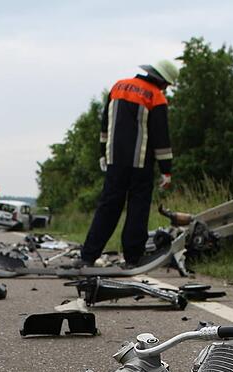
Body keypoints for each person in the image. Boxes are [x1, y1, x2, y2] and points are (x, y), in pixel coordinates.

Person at [76, 59, 178, 268]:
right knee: (137, 210)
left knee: (108, 207)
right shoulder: (156, 97)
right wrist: (166, 170)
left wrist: (102, 153)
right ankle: (133, 259)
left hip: (114, 159)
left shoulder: (118, 87)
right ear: (162, 81)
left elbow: (105, 124)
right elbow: (161, 137)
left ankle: (87, 256)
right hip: (140, 163)